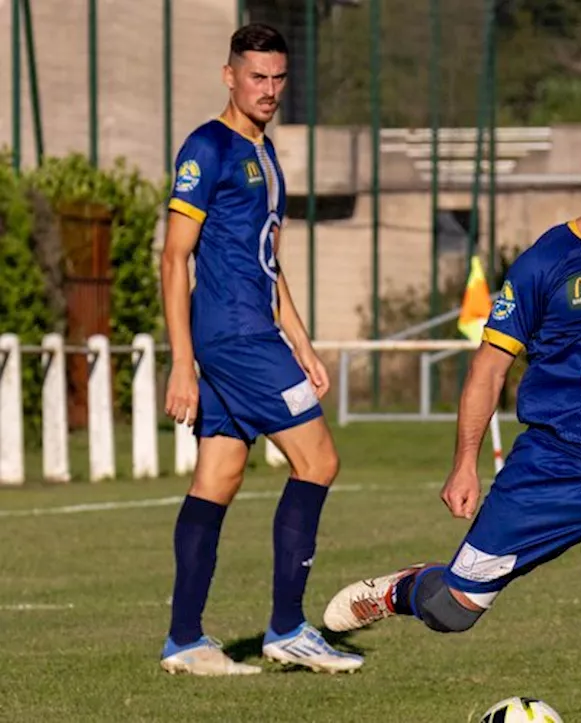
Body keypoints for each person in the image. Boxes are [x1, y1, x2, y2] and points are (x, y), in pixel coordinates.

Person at [324, 105, 581, 722]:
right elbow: (488, 368)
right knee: (455, 610)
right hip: (549, 472)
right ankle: (404, 589)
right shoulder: (545, 264)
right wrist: (464, 464)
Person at [157, 23, 361, 676]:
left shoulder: (264, 151)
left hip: (258, 331)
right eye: (257, 78)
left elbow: (266, 263)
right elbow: (173, 257)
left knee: (218, 475)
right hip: (235, 339)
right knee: (319, 459)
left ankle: (184, 640)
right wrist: (183, 361)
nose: (269, 90)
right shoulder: (208, 147)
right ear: (229, 76)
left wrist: (301, 339)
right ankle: (288, 627)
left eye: (278, 79)